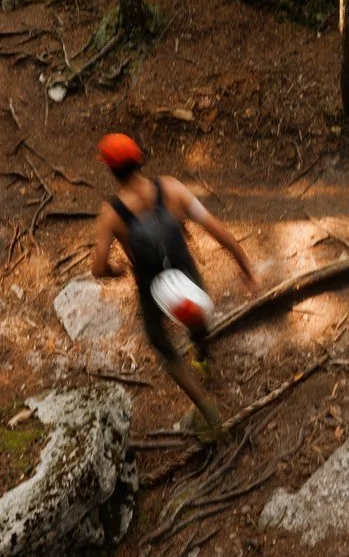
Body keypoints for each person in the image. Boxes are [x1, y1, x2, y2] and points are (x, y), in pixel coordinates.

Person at [90, 132, 257, 431]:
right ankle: (202, 357)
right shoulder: (171, 188)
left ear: (112, 171)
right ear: (138, 161)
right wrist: (245, 265)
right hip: (186, 272)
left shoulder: (112, 214)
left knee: (163, 347)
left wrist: (116, 270)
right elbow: (214, 227)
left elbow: (98, 267)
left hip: (152, 286)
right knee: (198, 319)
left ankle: (209, 414)